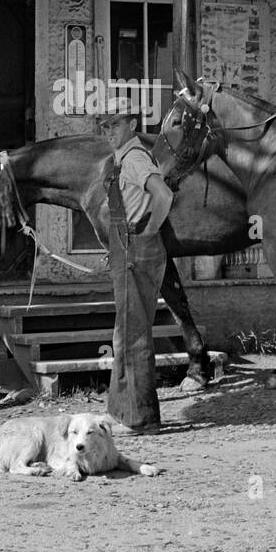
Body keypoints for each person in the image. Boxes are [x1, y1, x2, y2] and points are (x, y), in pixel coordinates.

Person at [98, 108, 175, 433]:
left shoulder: (135, 159)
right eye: (104, 126)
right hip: (124, 247)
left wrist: (146, 231)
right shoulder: (118, 160)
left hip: (137, 248)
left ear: (132, 124)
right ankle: (121, 412)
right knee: (124, 332)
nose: (109, 131)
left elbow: (163, 194)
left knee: (133, 334)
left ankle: (141, 417)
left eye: (115, 124)